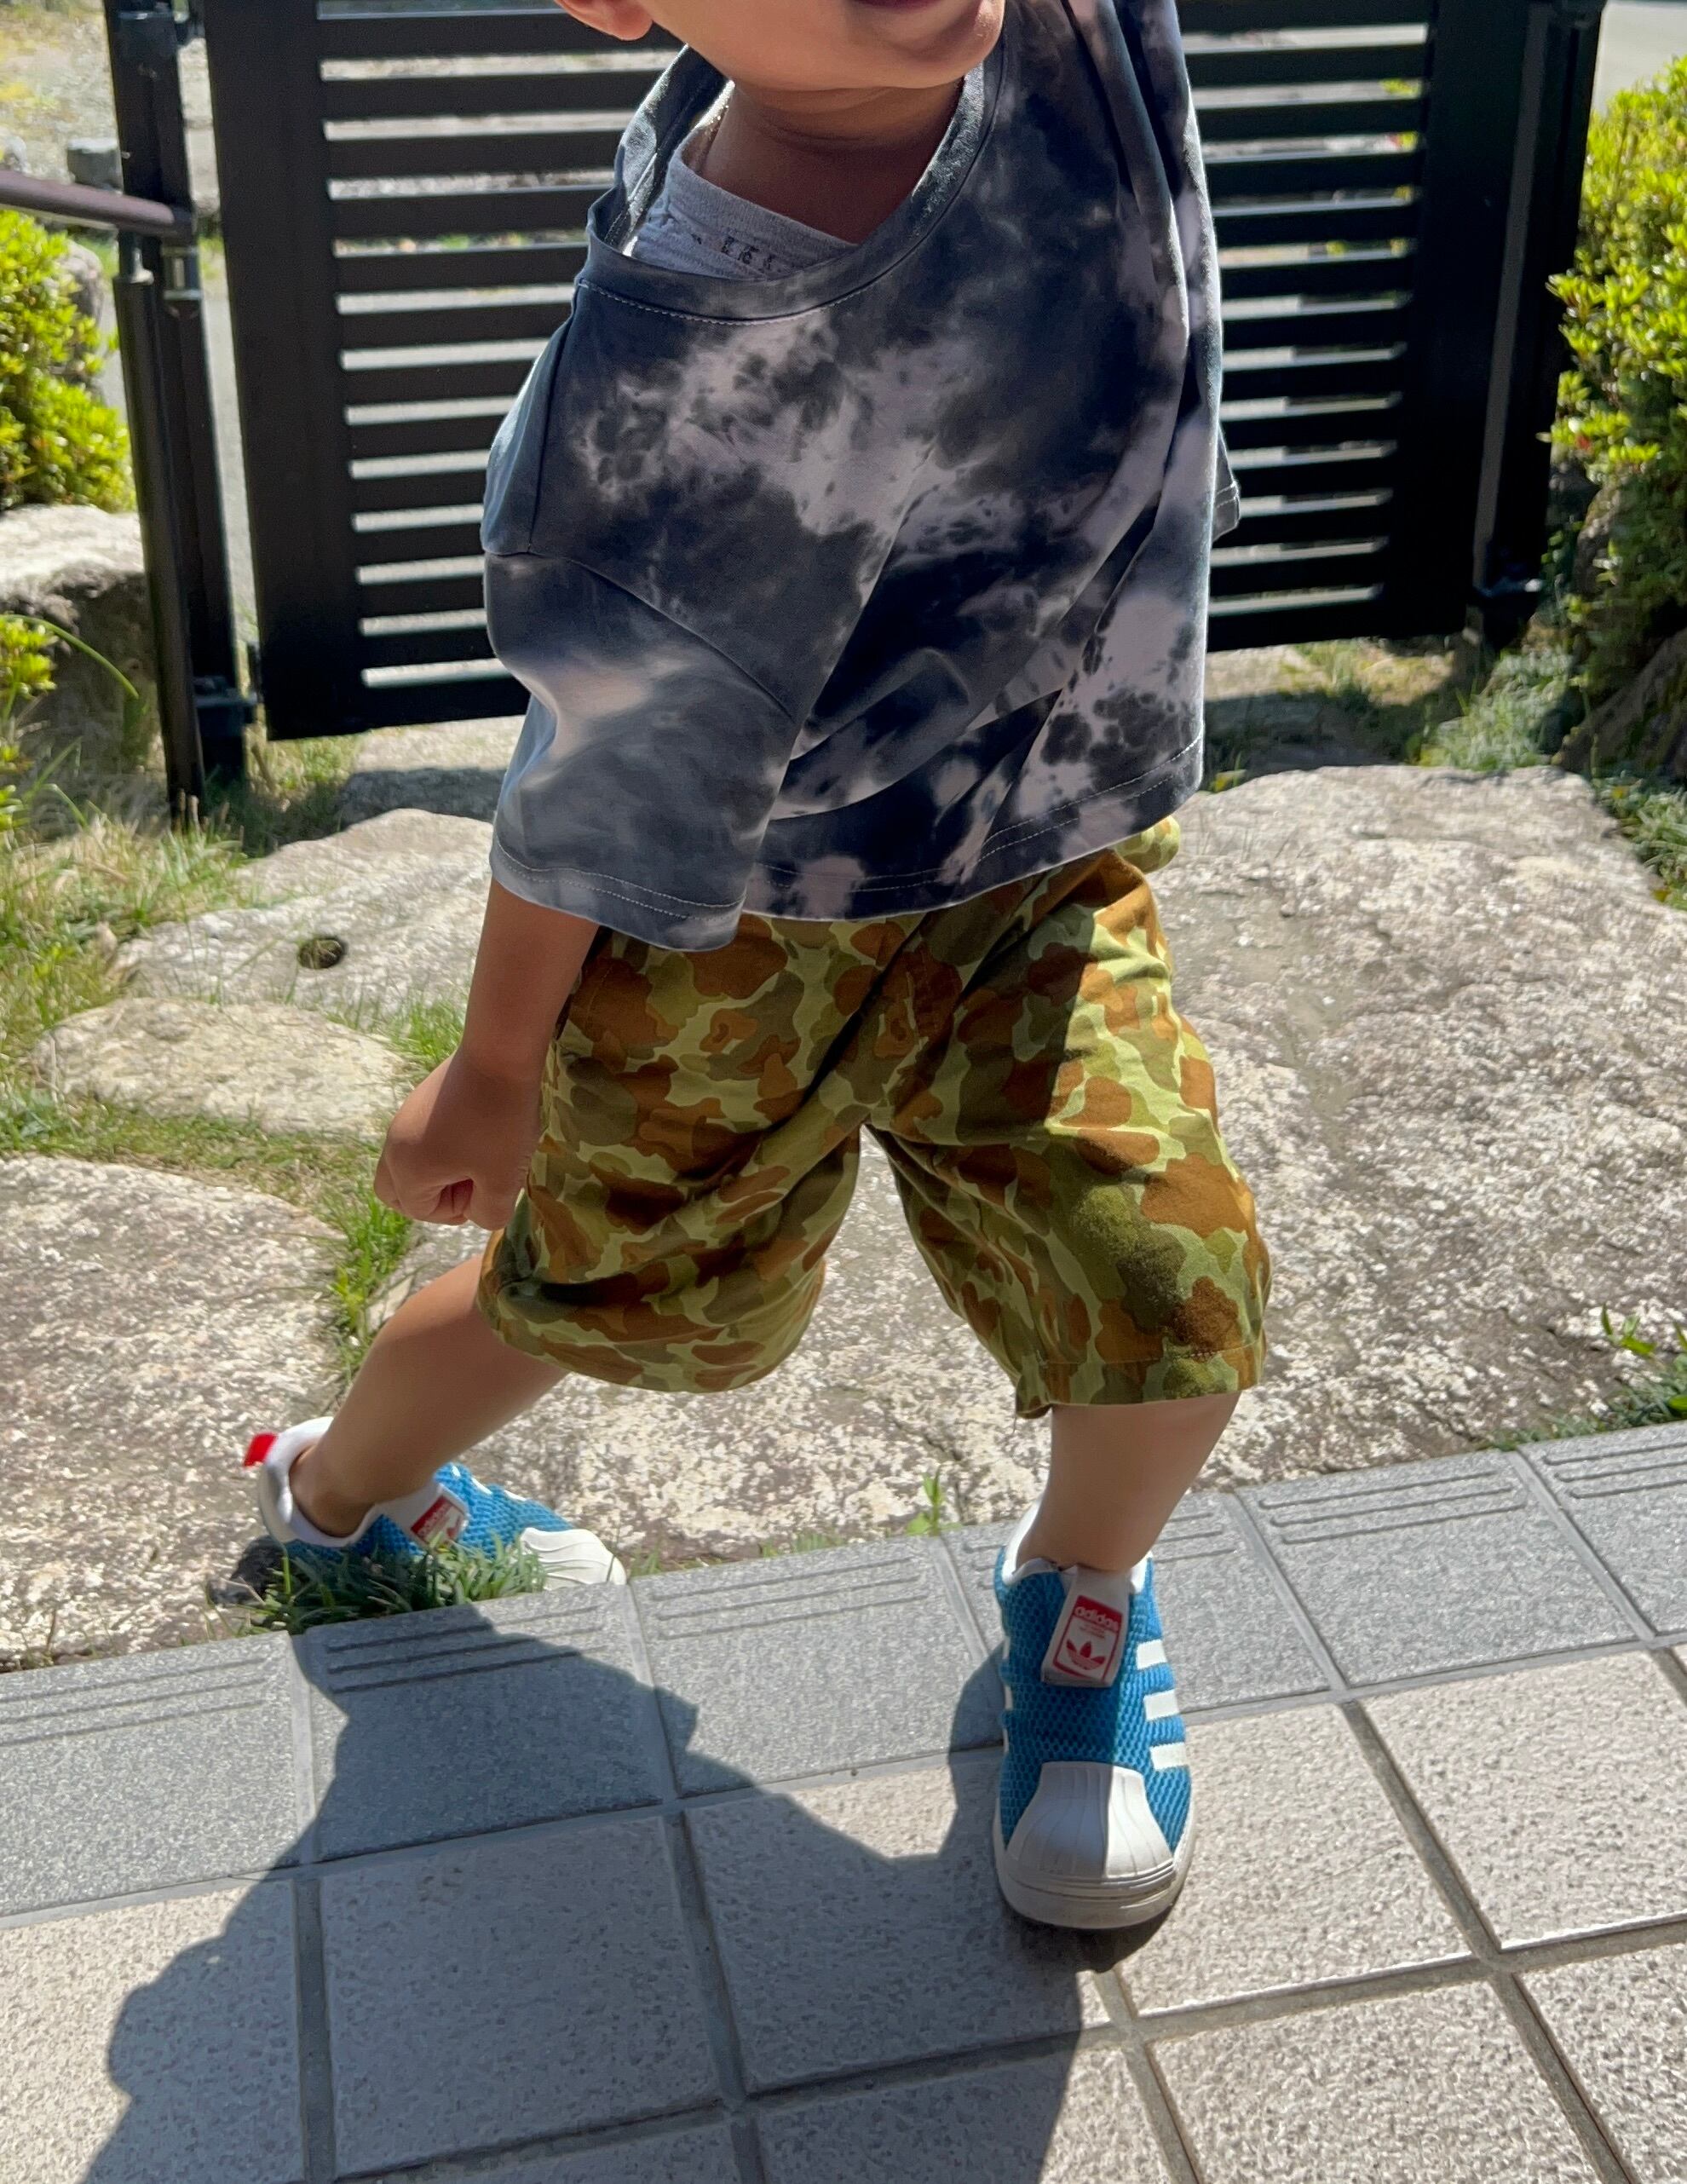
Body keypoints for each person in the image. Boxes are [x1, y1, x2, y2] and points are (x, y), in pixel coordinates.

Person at [245, 0, 1269, 1932]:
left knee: (1170, 1271)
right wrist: (494, 1067)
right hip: (728, 933)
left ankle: (1082, 1591)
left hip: (1034, 869)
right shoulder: (667, 376)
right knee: (623, 1303)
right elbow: (601, 777)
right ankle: (332, 1498)